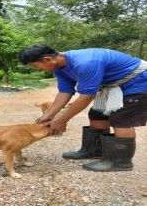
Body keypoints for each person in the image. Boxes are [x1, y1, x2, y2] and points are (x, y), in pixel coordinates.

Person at [18, 45, 147, 172]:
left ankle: (120, 162)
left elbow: (87, 96)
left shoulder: (86, 62)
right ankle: (94, 151)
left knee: (121, 118)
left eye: (35, 66)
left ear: (47, 59)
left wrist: (61, 120)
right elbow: (65, 92)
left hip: (139, 81)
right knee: (97, 114)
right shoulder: (59, 67)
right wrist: (47, 115)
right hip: (116, 84)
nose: (36, 69)